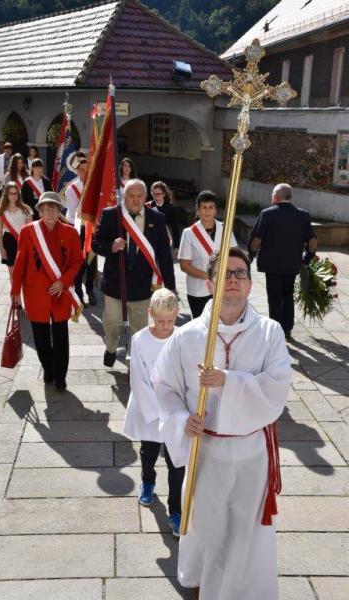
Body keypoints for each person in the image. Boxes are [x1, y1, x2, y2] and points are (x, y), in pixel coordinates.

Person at [152, 247, 291, 600]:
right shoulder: (187, 335)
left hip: (251, 454)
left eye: (240, 273)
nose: (233, 279)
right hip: (207, 452)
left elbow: (277, 387)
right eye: (225, 273)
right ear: (211, 282)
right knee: (209, 532)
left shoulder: (270, 332)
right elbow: (163, 385)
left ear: (250, 284)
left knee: (246, 535)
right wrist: (182, 420)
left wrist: (229, 381)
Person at [92, 178, 176, 368]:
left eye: (140, 196)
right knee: (112, 322)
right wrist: (111, 246)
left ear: (146, 197)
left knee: (139, 329)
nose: (136, 200)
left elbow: (164, 256)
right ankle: (111, 347)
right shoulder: (111, 215)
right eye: (131, 196)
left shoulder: (158, 219)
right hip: (115, 283)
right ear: (124, 197)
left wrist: (171, 288)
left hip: (142, 285)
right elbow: (95, 244)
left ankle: (134, 364)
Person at [124, 288, 184, 537]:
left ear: (177, 315)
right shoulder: (139, 339)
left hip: (175, 410)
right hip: (149, 408)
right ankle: (148, 481)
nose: (165, 327)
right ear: (150, 314)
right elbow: (138, 377)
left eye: (170, 321)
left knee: (176, 462)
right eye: (160, 321)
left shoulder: (182, 337)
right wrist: (156, 411)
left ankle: (176, 510)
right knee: (149, 452)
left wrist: (175, 409)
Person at [11, 191, 83, 391]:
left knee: (61, 336)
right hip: (36, 294)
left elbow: (77, 261)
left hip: (60, 292)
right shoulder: (28, 232)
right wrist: (15, 290)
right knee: (41, 339)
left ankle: (61, 376)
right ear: (39, 211)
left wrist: (63, 282)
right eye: (46, 208)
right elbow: (20, 262)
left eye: (54, 208)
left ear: (60, 211)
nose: (50, 212)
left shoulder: (70, 233)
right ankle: (48, 369)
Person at [249, 183, 317, 339]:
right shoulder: (303, 215)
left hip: (272, 265)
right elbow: (312, 241)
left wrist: (249, 257)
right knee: (288, 294)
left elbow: (256, 241)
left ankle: (275, 329)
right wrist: (307, 259)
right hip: (292, 264)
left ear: (276, 197)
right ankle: (287, 328)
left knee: (274, 297)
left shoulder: (267, 214)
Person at [179, 190, 237, 318]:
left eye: (211, 207)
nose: (207, 211)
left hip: (223, 287)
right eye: (204, 207)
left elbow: (235, 257)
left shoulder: (225, 229)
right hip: (198, 289)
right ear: (198, 210)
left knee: (222, 325)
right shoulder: (189, 233)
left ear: (216, 210)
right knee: (202, 328)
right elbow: (184, 265)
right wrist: (209, 277)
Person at [65, 158, 97, 306]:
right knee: (79, 262)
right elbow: (74, 213)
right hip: (77, 229)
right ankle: (78, 290)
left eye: (87, 169)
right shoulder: (71, 189)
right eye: (82, 169)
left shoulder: (94, 187)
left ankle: (90, 289)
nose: (85, 172)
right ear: (77, 171)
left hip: (92, 228)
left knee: (92, 261)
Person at [0, 181, 33, 285]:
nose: (13, 196)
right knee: (12, 272)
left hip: (23, 242)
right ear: (6, 194)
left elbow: (31, 231)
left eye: (15, 193)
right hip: (9, 241)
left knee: (25, 272)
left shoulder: (26, 209)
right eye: (11, 193)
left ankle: (24, 296)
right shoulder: (0, 210)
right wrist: (1, 248)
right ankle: (16, 298)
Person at [147, 181, 180, 252]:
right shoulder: (148, 206)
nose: (156, 196)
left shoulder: (170, 208)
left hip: (164, 239)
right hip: (150, 240)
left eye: (158, 194)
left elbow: (175, 228)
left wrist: (176, 246)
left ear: (164, 194)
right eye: (154, 194)